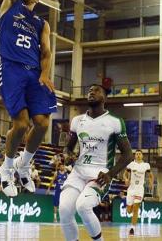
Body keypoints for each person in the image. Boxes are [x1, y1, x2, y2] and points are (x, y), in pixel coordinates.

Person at [0, 0, 57, 197]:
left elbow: (47, 52)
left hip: (34, 72)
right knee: (21, 124)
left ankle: (24, 165)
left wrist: (44, 74)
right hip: (11, 68)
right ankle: (6, 168)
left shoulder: (42, 23)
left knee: (43, 123)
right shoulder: (10, 3)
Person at [59, 84, 133, 241]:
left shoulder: (115, 122)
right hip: (78, 172)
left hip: (99, 175)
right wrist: (67, 154)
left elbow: (128, 155)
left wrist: (110, 174)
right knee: (64, 210)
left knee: (83, 206)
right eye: (89, 90)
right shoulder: (77, 121)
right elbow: (68, 147)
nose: (91, 92)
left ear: (104, 97)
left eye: (96, 90)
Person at [124, 149, 154, 235]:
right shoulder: (131, 164)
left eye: (139, 154)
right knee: (129, 211)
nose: (138, 155)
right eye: (136, 154)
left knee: (136, 208)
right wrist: (126, 179)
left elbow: (151, 175)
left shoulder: (146, 165)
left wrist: (151, 183)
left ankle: (132, 228)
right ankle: (130, 206)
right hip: (131, 189)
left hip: (140, 189)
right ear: (135, 156)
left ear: (142, 155)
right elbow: (124, 174)